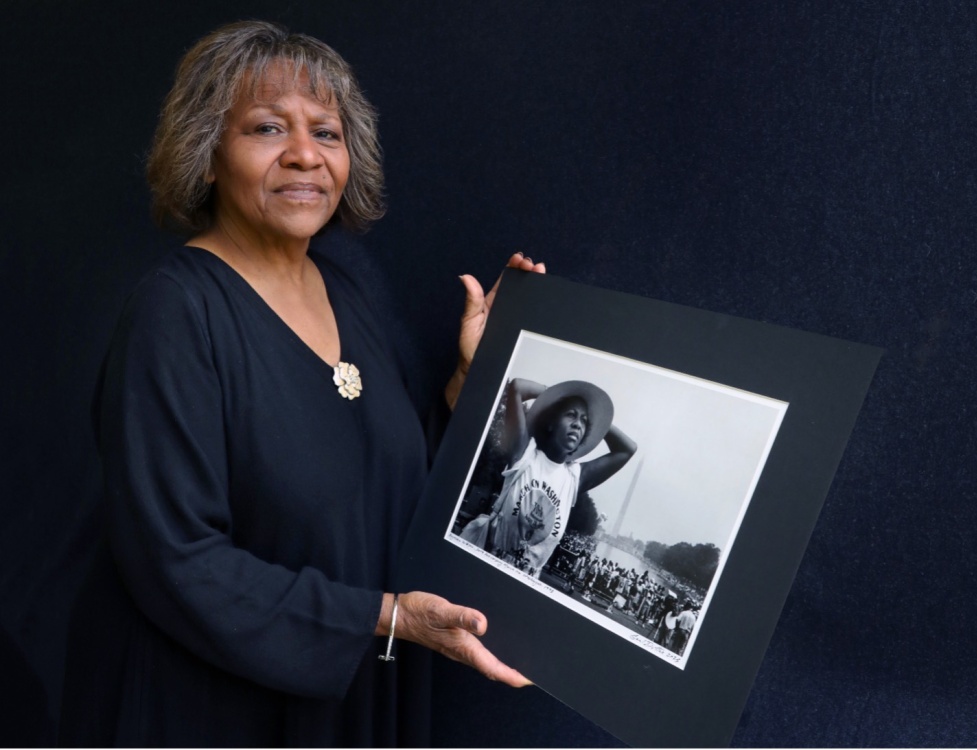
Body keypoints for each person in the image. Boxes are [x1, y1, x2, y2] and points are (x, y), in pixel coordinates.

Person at [58, 20, 544, 747]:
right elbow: (176, 559)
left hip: (350, 696)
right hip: (216, 713)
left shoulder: (349, 286)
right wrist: (384, 618)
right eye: (266, 128)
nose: (304, 156)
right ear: (208, 153)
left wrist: (467, 385)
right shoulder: (176, 311)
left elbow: (381, 483)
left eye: (327, 132)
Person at [460, 378, 637, 578]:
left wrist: (599, 424)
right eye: (571, 415)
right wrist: (553, 396)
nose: (578, 424)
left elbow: (627, 449)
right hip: (483, 564)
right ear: (551, 423)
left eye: (584, 421)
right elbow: (517, 387)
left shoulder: (574, 478)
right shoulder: (525, 453)